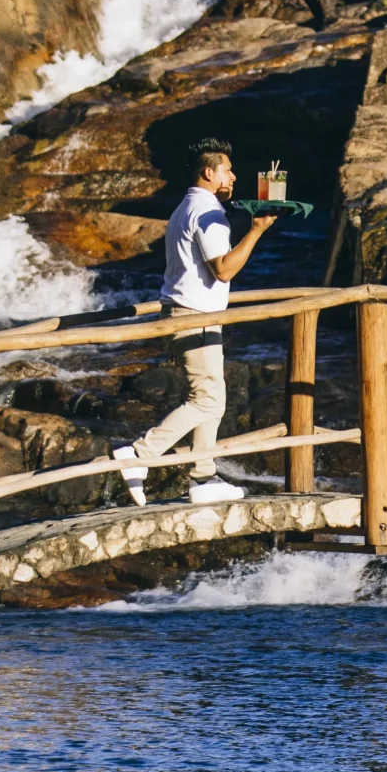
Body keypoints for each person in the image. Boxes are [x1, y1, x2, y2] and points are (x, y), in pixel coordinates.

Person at [115, 138, 278, 506]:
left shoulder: (185, 206)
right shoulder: (209, 212)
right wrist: (255, 232)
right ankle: (139, 454)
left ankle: (202, 478)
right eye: (227, 169)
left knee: (209, 397)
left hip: (182, 313)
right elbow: (223, 270)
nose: (234, 176)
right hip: (195, 316)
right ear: (209, 172)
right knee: (207, 399)